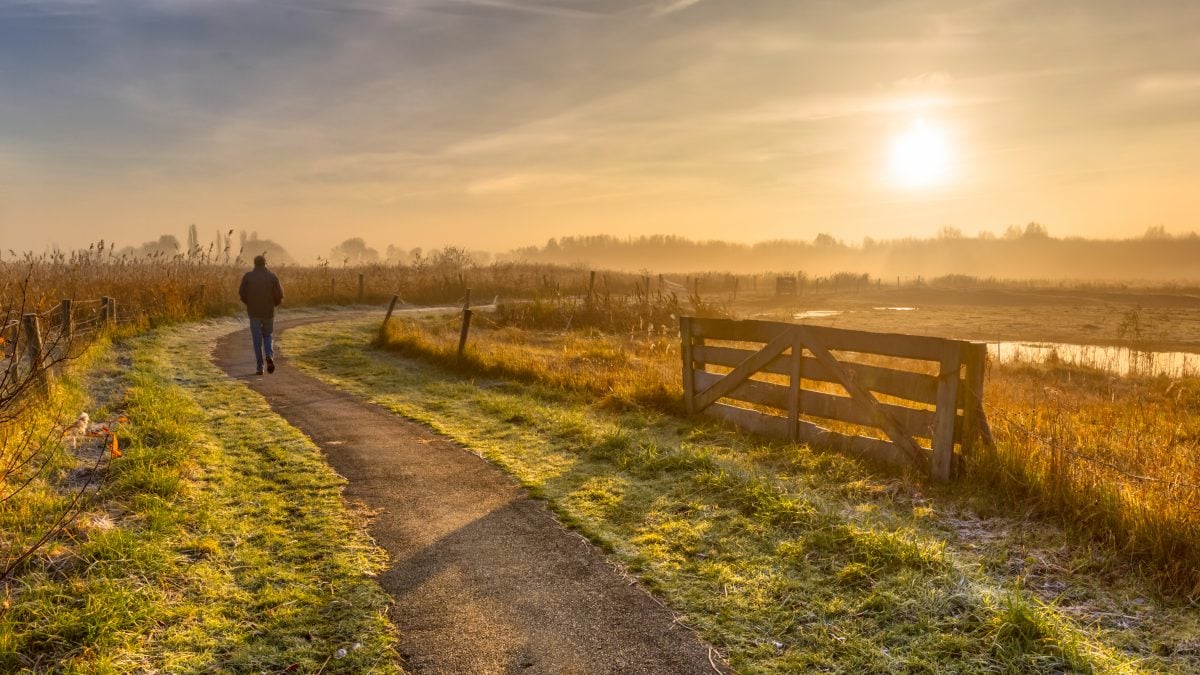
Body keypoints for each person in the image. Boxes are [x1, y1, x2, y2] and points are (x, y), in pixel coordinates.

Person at [238, 254, 284, 375]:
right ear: (265, 263)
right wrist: (274, 304)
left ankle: (259, 367)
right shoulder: (272, 277)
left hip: (253, 312)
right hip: (268, 312)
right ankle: (269, 355)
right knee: (268, 335)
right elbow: (280, 295)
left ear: (254, 264)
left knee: (257, 340)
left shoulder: (248, 277)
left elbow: (241, 293)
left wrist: (249, 303)